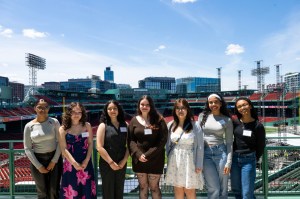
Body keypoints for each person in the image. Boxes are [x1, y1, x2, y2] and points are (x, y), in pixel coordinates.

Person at [127, 95, 168, 199]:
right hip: (139, 160)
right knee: (143, 187)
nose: (144, 107)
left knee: (154, 187)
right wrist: (139, 154)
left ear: (151, 106)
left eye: (147, 105)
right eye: (142, 104)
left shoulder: (159, 120)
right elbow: (131, 140)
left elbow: (162, 141)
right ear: (139, 106)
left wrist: (147, 155)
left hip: (155, 159)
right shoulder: (134, 121)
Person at [165, 98, 204, 199]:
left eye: (183, 108)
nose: (180, 110)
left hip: (190, 160)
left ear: (187, 110)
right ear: (175, 110)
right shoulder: (170, 125)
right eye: (178, 108)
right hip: (175, 161)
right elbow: (168, 145)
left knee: (189, 190)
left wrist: (199, 164)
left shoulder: (195, 125)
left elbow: (200, 147)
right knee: (178, 190)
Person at [23, 99, 63, 199]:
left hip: (54, 158)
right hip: (38, 159)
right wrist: (38, 166)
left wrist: (54, 161)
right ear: (35, 108)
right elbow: (27, 148)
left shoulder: (54, 122)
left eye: (45, 107)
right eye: (40, 107)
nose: (42, 109)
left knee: (54, 190)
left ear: (48, 109)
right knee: (42, 192)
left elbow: (60, 142)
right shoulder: (29, 126)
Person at [198, 93, 233, 199]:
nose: (213, 104)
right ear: (208, 104)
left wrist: (228, 162)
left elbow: (229, 142)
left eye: (216, 102)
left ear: (221, 103)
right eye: (211, 102)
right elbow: (197, 136)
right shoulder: (202, 117)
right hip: (206, 153)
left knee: (223, 187)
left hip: (221, 152)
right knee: (213, 187)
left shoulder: (227, 120)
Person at [58, 102, 96, 199]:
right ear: (69, 113)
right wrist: (74, 163)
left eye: (79, 112)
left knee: (87, 191)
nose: (76, 115)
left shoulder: (87, 125)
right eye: (74, 112)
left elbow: (91, 143)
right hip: (70, 164)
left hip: (85, 163)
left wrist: (86, 160)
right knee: (72, 191)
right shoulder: (63, 129)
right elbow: (64, 149)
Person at [230, 97, 266, 199]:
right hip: (235, 159)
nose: (242, 108)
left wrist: (254, 157)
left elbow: (261, 145)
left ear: (250, 106)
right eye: (239, 106)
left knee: (247, 193)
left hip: (249, 160)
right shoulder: (235, 122)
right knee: (236, 189)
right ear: (237, 109)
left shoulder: (258, 126)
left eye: (244, 105)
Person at [96, 100, 129, 199]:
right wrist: (111, 163)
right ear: (106, 111)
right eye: (109, 109)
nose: (112, 110)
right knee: (108, 191)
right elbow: (99, 147)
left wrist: (124, 160)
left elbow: (129, 145)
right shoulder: (103, 125)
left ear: (118, 110)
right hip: (107, 163)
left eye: (115, 108)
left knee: (119, 190)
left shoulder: (125, 125)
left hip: (121, 163)